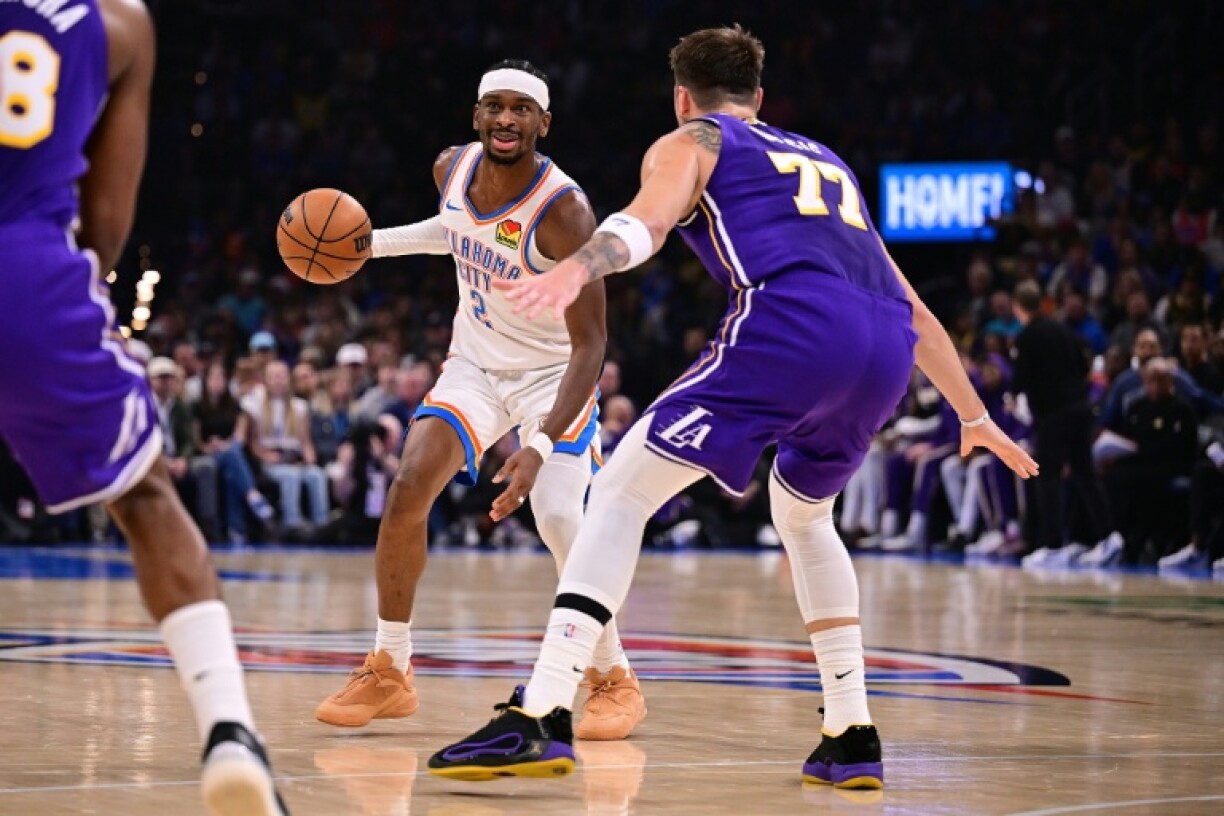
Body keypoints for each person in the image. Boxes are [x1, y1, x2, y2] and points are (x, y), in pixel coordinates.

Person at [427, 26, 1036, 788]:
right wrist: (972, 414)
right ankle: (850, 732)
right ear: (760, 95)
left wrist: (573, 271)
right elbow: (908, 300)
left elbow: (640, 225)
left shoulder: (693, 140)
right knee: (808, 519)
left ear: (683, 96)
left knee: (617, 493)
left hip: (793, 329)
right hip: (882, 348)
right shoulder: (826, 160)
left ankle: (542, 714)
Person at [0, 2, 288, 814]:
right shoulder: (119, 22)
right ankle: (231, 732)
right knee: (145, 495)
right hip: (21, 267)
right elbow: (107, 227)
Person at [313, 60, 646, 742]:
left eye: (521, 110)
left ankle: (612, 674)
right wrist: (368, 247)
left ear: (543, 124)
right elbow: (455, 230)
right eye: (494, 107)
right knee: (408, 486)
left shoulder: (564, 212)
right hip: (475, 363)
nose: (505, 119)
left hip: (553, 374)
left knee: (557, 516)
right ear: (476, 115)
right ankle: (390, 668)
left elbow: (591, 345)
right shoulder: (451, 170)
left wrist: (539, 445)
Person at [1011, 282, 1111, 567]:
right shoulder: (1063, 329)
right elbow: (1084, 367)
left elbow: (1020, 380)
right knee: (1084, 472)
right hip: (1080, 408)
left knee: (1047, 476)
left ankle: (1052, 545)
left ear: (1019, 307)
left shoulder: (1027, 336)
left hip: (1055, 414)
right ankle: (1108, 537)